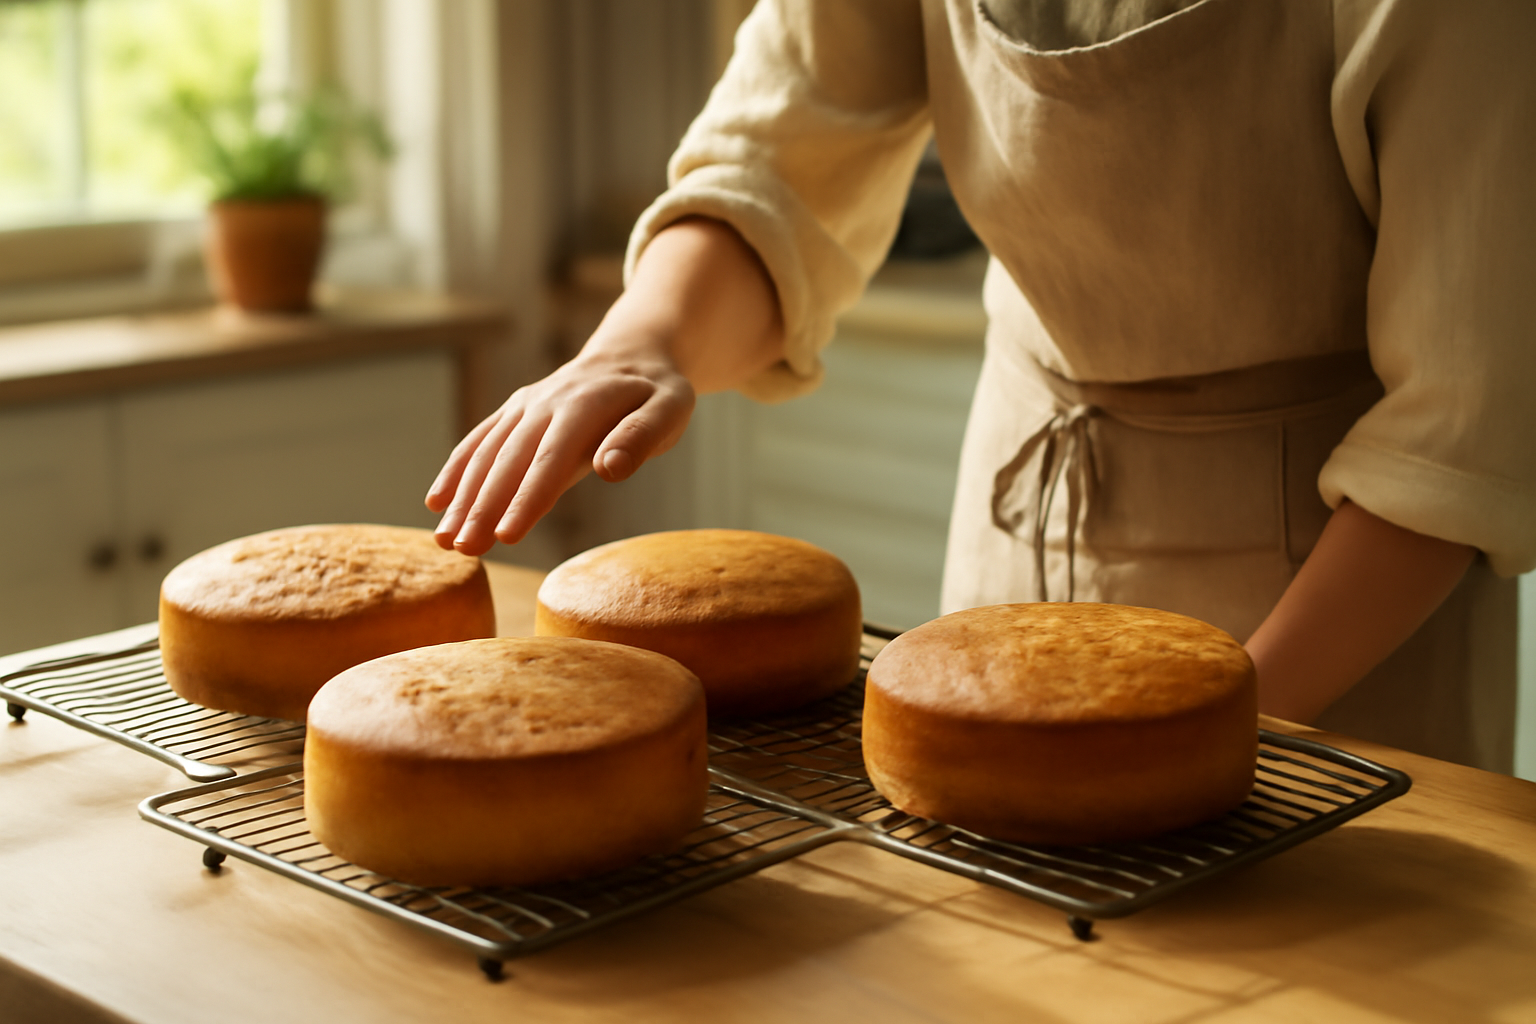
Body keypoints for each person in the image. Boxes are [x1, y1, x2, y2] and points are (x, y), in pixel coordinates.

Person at [427, 0, 1536, 770]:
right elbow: (782, 155)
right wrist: (645, 340)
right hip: (1021, 517)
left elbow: (1464, 419)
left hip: (1335, 613)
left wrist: (1216, 731)